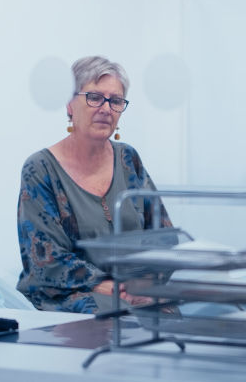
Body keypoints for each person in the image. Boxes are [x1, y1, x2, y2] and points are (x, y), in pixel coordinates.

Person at [16, 56, 171, 313]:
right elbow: (45, 259)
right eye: (95, 97)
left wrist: (143, 283)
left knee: (169, 312)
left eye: (116, 101)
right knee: (115, 317)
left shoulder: (128, 159)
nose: (106, 108)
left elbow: (163, 236)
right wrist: (106, 284)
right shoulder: (40, 168)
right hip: (72, 293)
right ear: (69, 104)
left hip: (133, 290)